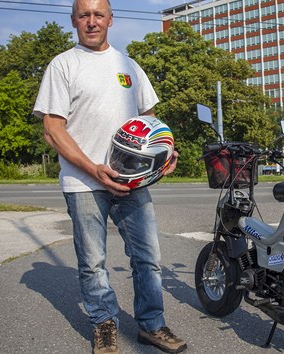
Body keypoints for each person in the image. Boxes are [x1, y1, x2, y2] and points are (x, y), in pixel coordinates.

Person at [33, 1, 185, 353]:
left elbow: (150, 122)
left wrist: (166, 153)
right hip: (83, 182)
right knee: (93, 263)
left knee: (148, 257)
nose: (91, 22)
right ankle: (104, 324)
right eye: (83, 15)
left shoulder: (128, 66)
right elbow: (52, 128)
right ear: (73, 20)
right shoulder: (64, 65)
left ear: (110, 20)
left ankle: (152, 325)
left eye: (98, 14)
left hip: (132, 182)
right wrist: (93, 168)